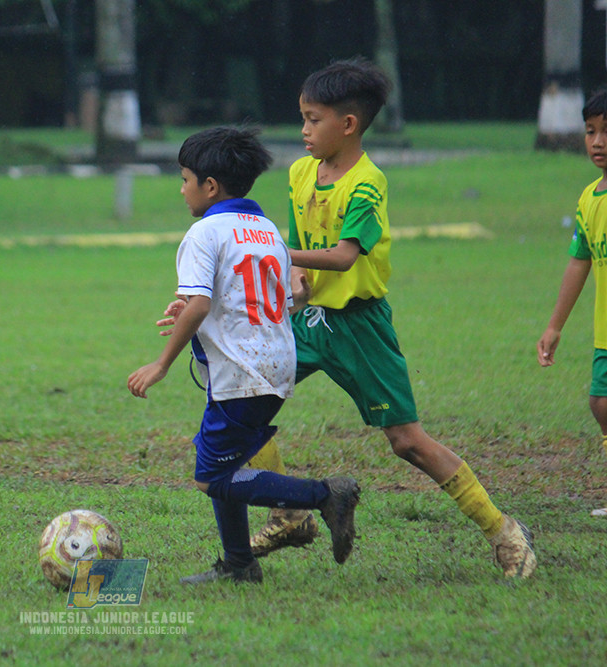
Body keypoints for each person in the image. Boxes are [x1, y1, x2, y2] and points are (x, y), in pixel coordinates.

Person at [239, 57, 537, 578]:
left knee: (407, 442)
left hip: (361, 327)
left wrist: (275, 253)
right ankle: (289, 515)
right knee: (243, 399)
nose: (303, 129)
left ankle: (505, 531)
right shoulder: (300, 172)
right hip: (312, 323)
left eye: (313, 119)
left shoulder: (367, 184)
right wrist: (296, 284)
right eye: (303, 117)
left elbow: (342, 257)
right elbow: (304, 248)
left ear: (348, 124)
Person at [127, 126, 362, 584]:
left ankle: (324, 496)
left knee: (212, 478)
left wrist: (161, 363)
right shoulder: (265, 230)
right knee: (219, 459)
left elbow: (200, 303)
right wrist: (192, 310)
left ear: (210, 186)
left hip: (241, 372)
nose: (181, 190)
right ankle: (240, 565)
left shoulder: (204, 233)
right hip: (275, 362)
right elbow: (273, 299)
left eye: (184, 180)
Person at [537, 89, 607, 518]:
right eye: (590, 131)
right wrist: (555, 325)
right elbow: (579, 262)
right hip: (604, 331)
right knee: (601, 403)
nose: (598, 142)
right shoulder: (588, 199)